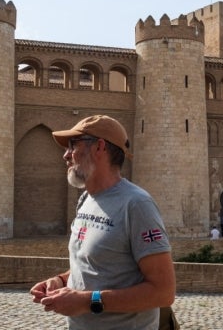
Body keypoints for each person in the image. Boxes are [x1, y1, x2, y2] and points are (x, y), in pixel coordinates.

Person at [30, 115, 176, 330]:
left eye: (73, 145)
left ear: (99, 147)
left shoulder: (136, 205)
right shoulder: (86, 200)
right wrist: (61, 281)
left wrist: (86, 301)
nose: (66, 155)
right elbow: (101, 266)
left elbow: (163, 292)